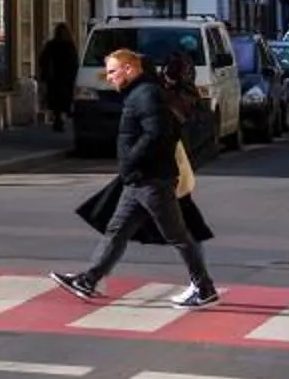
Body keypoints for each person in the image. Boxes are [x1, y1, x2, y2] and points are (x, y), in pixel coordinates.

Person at [57, 45, 218, 309]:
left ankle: (204, 288)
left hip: (152, 180)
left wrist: (131, 159)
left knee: (178, 235)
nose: (108, 78)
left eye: (112, 72)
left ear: (129, 69)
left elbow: (156, 133)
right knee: (116, 231)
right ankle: (88, 279)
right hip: (139, 180)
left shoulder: (146, 94)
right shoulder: (140, 92)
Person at [36, 23, 80, 133]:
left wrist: (45, 74)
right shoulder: (69, 45)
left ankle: (58, 119)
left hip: (54, 78)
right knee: (64, 100)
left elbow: (42, 59)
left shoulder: (51, 45)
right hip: (66, 79)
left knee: (55, 101)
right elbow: (75, 62)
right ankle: (61, 119)